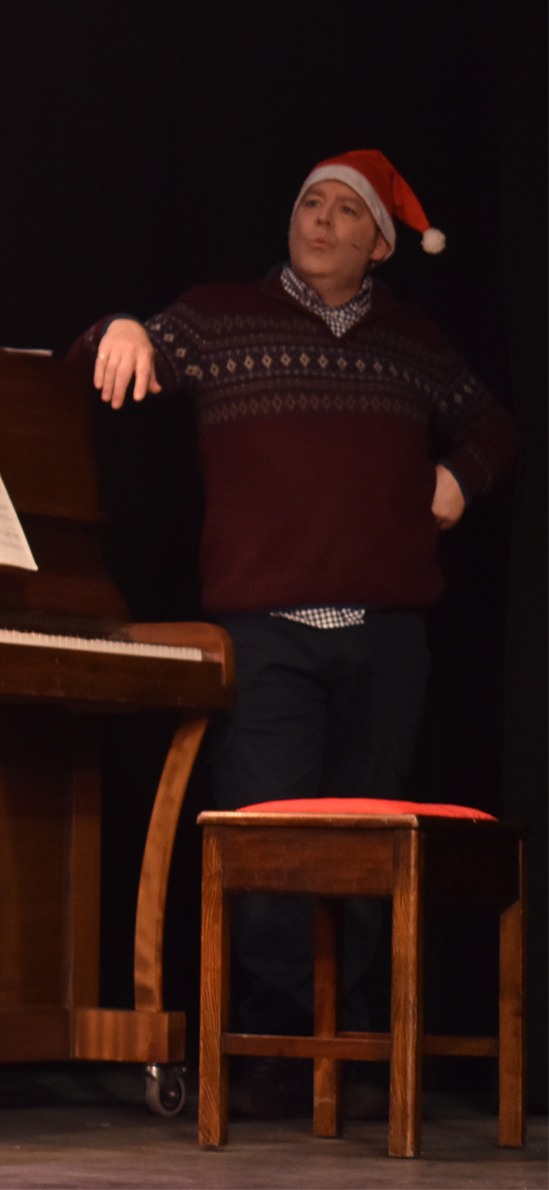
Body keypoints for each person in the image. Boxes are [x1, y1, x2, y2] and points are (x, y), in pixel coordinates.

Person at [72, 149, 517, 1116]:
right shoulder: (222, 315)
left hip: (385, 636)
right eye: (310, 203)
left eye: (345, 212)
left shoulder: (413, 340)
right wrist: (120, 329)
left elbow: (494, 425)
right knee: (270, 849)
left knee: (366, 856)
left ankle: (341, 1052)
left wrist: (459, 477)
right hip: (267, 630)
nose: (320, 221)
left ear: (379, 244)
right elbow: (96, 359)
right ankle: (284, 1047)